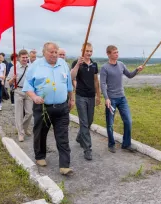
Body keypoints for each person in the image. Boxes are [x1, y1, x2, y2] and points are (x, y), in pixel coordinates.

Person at [22, 42, 75, 176]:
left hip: (62, 107)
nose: (54, 54)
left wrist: (71, 98)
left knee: (62, 135)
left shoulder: (63, 64)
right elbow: (28, 85)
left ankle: (64, 165)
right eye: (51, 52)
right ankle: (40, 156)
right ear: (44, 52)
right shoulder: (36, 65)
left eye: (56, 52)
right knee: (41, 132)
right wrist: (34, 97)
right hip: (43, 107)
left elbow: (68, 84)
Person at [100, 45, 144, 153]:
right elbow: (103, 84)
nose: (117, 54)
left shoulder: (121, 65)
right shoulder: (104, 68)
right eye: (114, 52)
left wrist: (137, 70)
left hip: (122, 98)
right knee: (110, 123)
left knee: (128, 121)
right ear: (108, 54)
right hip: (111, 100)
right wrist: (106, 98)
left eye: (117, 52)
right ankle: (111, 144)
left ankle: (126, 144)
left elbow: (129, 75)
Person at [70, 42, 100, 160]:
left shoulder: (94, 64)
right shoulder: (77, 63)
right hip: (81, 96)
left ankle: (79, 137)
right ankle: (87, 149)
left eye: (90, 51)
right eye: (86, 51)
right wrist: (78, 64)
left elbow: (96, 81)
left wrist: (98, 95)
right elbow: (72, 76)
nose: (88, 53)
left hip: (91, 96)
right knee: (84, 122)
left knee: (90, 120)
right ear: (82, 50)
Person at [7, 50, 32, 142]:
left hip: (29, 91)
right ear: (19, 58)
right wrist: (12, 79)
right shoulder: (14, 68)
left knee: (30, 113)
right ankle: (20, 133)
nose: (25, 59)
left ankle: (24, 128)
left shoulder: (31, 67)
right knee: (19, 114)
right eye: (23, 57)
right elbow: (8, 83)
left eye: (26, 57)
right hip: (18, 91)